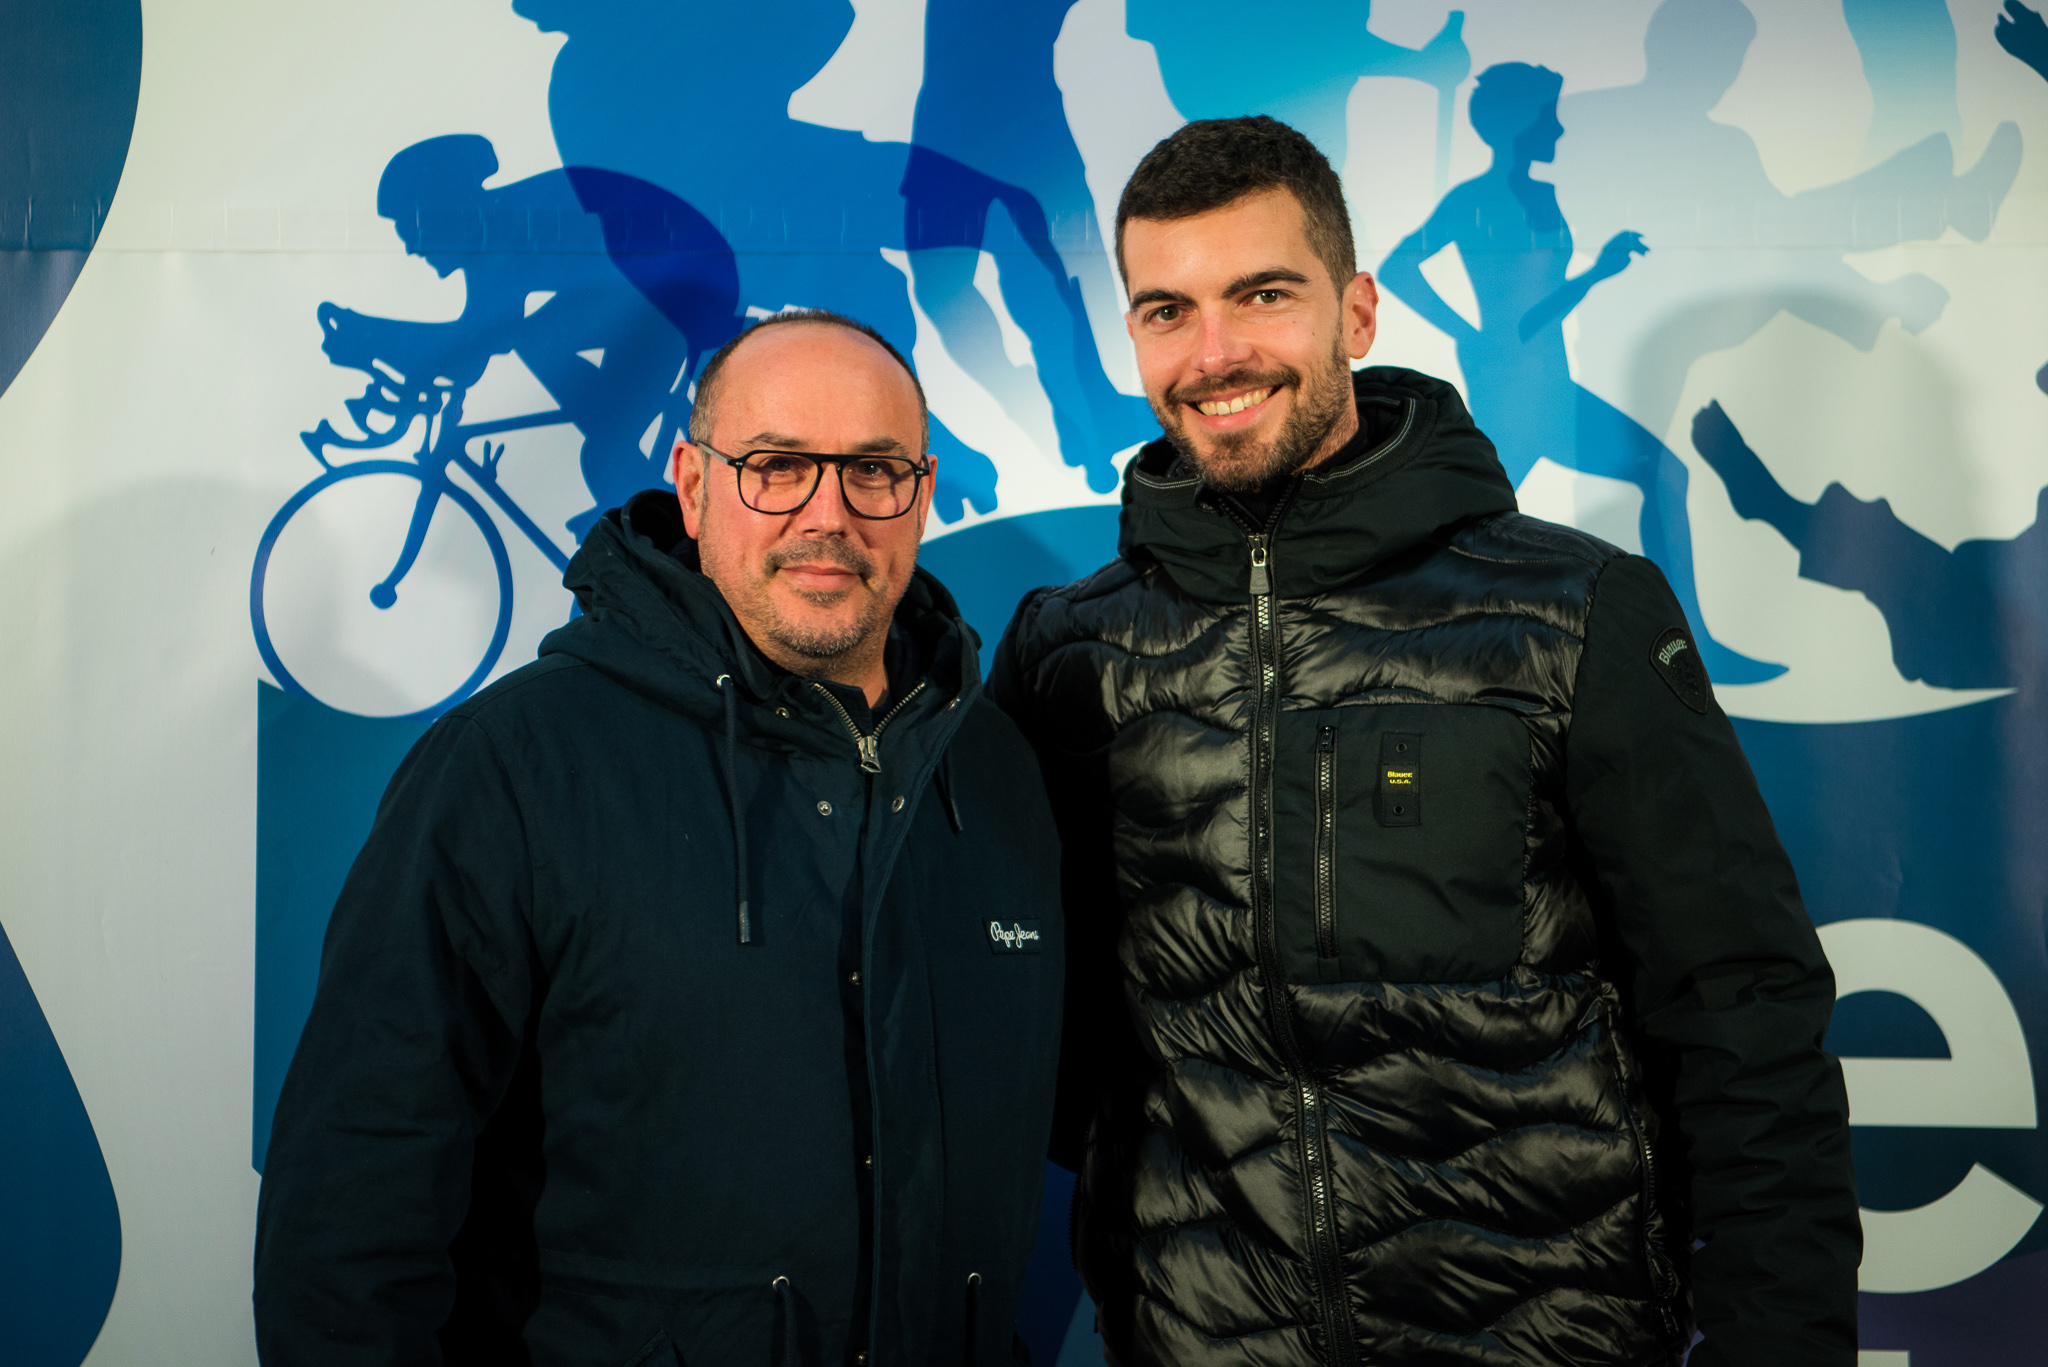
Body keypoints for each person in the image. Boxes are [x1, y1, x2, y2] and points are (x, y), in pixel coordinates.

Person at [990, 117, 1860, 1367]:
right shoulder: (1067, 652)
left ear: (1355, 312)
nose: (1214, 353)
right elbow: (1030, 1023)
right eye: (1166, 310)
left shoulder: (1572, 613)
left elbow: (1743, 1015)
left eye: (1262, 294)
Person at [255, 310, 1065, 1365]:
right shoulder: (514, 765)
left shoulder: (997, 767)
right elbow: (350, 1221)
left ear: (920, 490)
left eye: (873, 470)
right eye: (775, 466)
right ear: (692, 484)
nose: (827, 514)